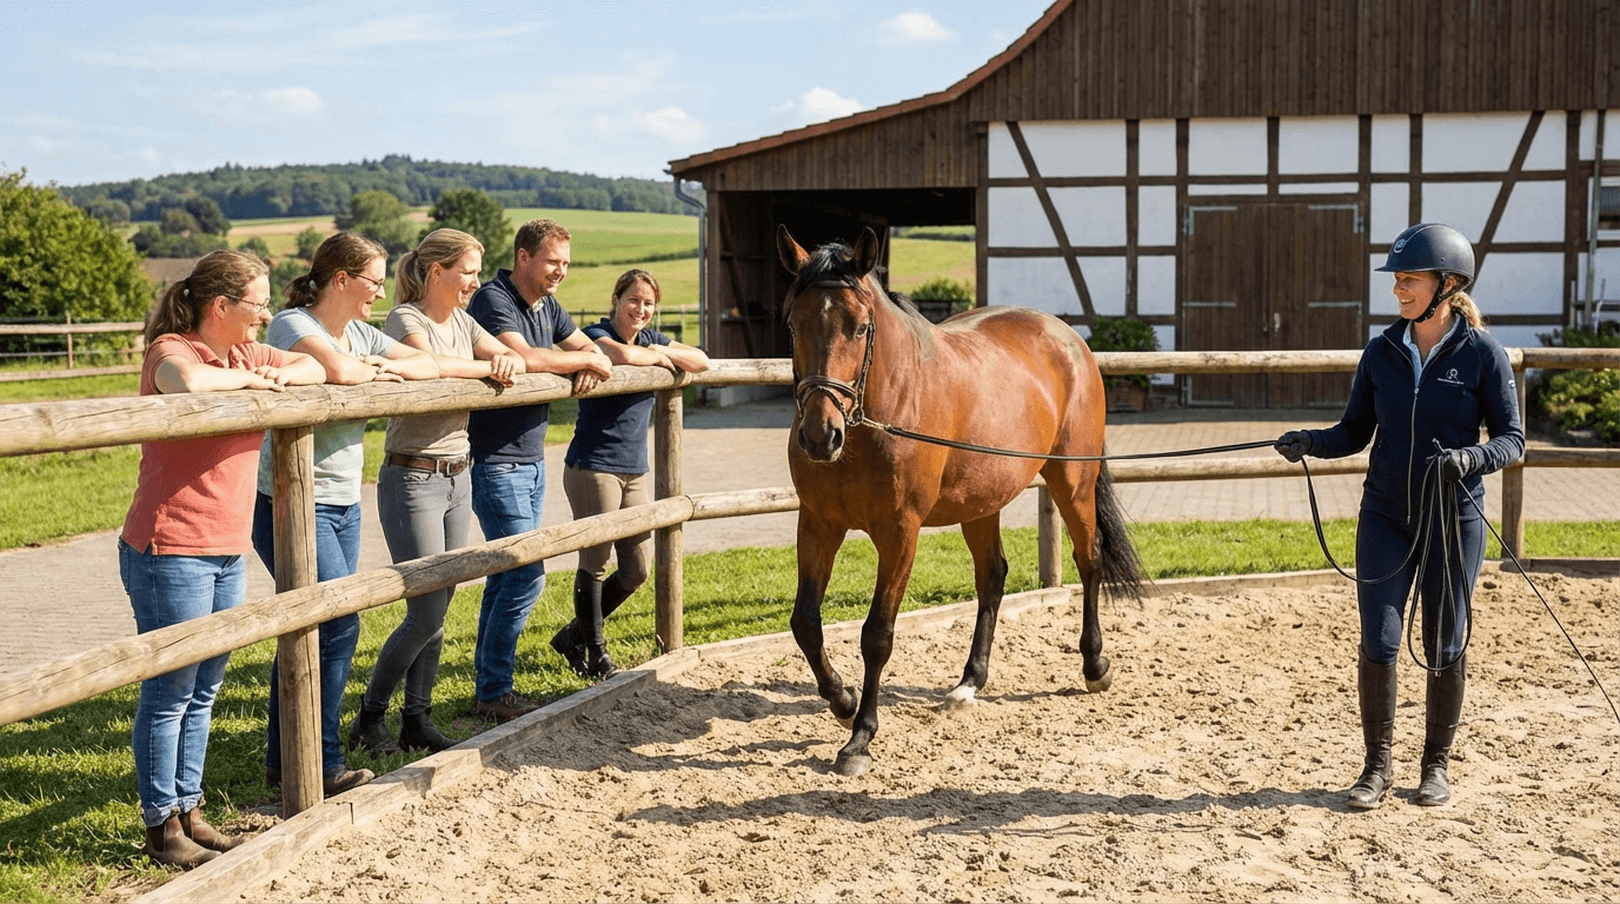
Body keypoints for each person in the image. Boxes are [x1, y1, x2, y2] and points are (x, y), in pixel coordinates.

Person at [1275, 223, 1524, 810]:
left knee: (1444, 643)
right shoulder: (1381, 351)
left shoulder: (1482, 354)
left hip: (1452, 521)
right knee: (1379, 640)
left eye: (1410, 279)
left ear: (1448, 285)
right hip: (1385, 517)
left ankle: (1435, 767)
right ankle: (1376, 767)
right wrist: (1310, 441)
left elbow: (1512, 440)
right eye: (1397, 280)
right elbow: (1354, 431)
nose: (1399, 290)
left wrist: (1470, 458)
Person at [119, 250, 326, 867]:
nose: (265, 315)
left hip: (226, 547)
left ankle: (189, 807)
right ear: (221, 307)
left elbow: (316, 367)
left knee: (205, 686)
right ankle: (161, 826)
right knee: (171, 688)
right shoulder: (173, 349)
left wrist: (271, 374)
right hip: (172, 545)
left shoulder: (244, 352)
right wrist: (251, 381)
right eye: (257, 304)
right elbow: (184, 384)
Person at [251, 232, 439, 795]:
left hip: (342, 502)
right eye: (373, 282)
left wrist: (376, 365)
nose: (380, 293)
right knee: (337, 622)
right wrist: (371, 369)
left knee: (312, 625)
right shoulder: (293, 325)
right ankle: (322, 760)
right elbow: (337, 371)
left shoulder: (359, 332)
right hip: (292, 499)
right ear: (340, 280)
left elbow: (425, 363)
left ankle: (284, 756)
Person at [347, 229, 525, 756]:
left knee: (441, 605)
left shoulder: (464, 322)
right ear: (436, 271)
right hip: (414, 477)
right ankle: (370, 716)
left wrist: (507, 360)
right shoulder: (407, 318)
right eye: (468, 272)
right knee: (424, 609)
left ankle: (416, 718)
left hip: (458, 476)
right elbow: (432, 366)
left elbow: (512, 357)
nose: (475, 282)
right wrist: (490, 367)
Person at [465, 218, 613, 722]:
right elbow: (524, 357)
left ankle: (490, 688)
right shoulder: (494, 299)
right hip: (495, 460)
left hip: (530, 460)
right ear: (523, 257)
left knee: (505, 575)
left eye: (566, 263)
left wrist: (586, 360)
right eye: (552, 261)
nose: (560, 272)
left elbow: (589, 348)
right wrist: (581, 363)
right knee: (526, 573)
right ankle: (494, 689)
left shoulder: (548, 305)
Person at [554, 269, 709, 679]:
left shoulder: (651, 340)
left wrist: (658, 351)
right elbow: (616, 356)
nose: (641, 309)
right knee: (595, 562)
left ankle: (572, 636)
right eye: (633, 300)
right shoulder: (594, 333)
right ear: (616, 300)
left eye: (648, 303)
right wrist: (658, 357)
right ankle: (596, 653)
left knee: (637, 569)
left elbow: (701, 360)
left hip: (634, 471)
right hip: (593, 466)